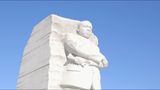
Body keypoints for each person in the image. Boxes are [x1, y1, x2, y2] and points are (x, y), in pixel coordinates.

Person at [61, 21, 108, 90]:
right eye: (85, 27)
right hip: (78, 72)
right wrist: (96, 59)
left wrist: (104, 61)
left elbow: (103, 61)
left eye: (90, 28)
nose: (89, 29)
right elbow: (75, 48)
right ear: (78, 29)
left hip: (94, 75)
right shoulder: (71, 37)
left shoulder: (94, 46)